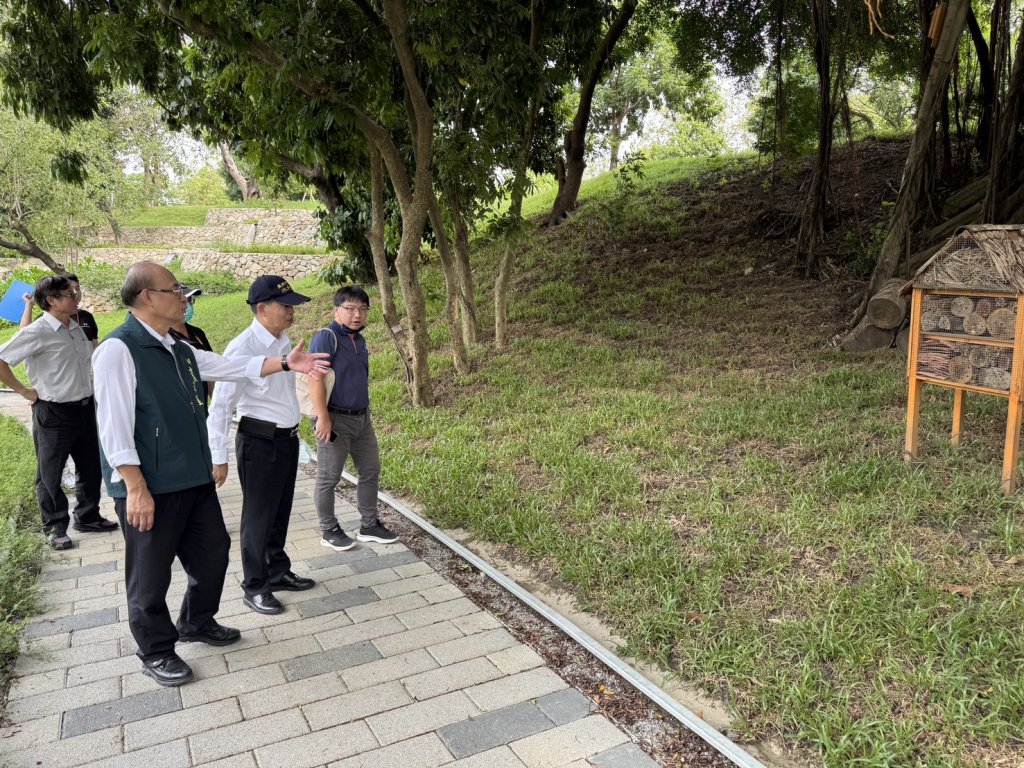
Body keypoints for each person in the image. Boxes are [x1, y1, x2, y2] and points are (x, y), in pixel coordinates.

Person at [92, 262, 329, 687]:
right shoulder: (118, 350)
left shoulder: (178, 348)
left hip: (192, 478)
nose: (183, 297)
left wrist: (284, 363)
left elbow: (229, 367)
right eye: (175, 289)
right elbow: (113, 426)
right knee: (150, 574)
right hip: (150, 485)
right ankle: (157, 650)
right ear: (147, 297)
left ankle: (197, 621)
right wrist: (134, 486)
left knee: (213, 552)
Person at [206, 275, 318, 617]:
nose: (291, 313)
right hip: (258, 442)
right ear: (262, 308)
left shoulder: (283, 342)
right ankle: (255, 586)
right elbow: (221, 406)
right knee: (258, 516)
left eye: (292, 306)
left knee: (280, 511)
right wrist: (218, 457)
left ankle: (277, 570)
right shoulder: (243, 349)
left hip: (285, 439)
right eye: (285, 306)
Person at [0, 274, 117, 550]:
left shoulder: (75, 327)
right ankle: (54, 527)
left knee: (90, 467)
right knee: (50, 474)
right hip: (53, 413)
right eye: (69, 293)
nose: (76, 296)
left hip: (85, 409)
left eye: (77, 291)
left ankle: (87, 516)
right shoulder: (37, 331)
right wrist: (24, 391)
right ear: (51, 300)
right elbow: (2, 360)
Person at [308, 285, 397, 552]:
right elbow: (316, 378)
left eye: (362, 309)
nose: (357, 314)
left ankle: (369, 525)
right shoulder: (326, 337)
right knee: (329, 477)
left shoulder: (359, 340)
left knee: (370, 470)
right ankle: (329, 529)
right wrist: (322, 417)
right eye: (350, 309)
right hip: (334, 418)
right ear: (337, 310)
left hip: (361, 418)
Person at [168, 285, 214, 411]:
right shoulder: (165, 338)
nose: (187, 305)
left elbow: (211, 370)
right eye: (183, 300)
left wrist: (216, 404)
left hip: (202, 410)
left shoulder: (197, 333)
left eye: (190, 300)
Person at [21, 274, 99, 348]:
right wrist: (29, 305)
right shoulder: (43, 323)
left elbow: (94, 344)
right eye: (70, 292)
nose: (75, 294)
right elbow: (24, 337)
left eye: (77, 289)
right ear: (51, 300)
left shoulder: (84, 319)